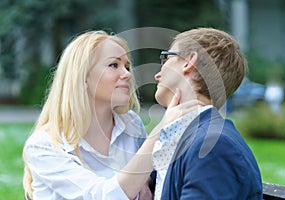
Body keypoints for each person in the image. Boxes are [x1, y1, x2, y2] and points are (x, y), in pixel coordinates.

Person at [22, 30, 200, 200]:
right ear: (83, 76)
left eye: (127, 66)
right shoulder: (44, 146)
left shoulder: (131, 124)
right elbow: (102, 196)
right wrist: (159, 132)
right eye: (114, 65)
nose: (127, 74)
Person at [152, 28, 263, 199]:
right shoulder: (195, 138)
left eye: (166, 58)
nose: (157, 74)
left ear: (189, 62)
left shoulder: (213, 145)